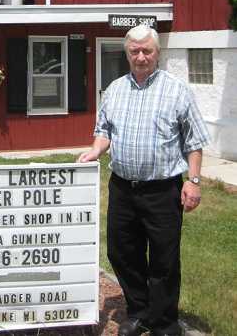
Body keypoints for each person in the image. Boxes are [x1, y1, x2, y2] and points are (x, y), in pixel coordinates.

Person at [79, 25, 209, 336]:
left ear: (157, 52)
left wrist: (193, 181)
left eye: (146, 50)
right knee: (122, 253)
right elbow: (104, 131)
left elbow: (194, 141)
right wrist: (95, 150)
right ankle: (139, 312)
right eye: (134, 51)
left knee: (164, 258)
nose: (140, 56)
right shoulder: (115, 89)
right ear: (127, 54)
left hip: (162, 190)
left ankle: (165, 322)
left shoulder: (177, 89)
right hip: (123, 188)